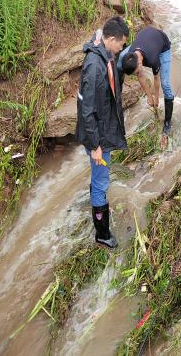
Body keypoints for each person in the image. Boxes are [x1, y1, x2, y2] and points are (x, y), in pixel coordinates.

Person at [75, 16, 129, 249]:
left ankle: (99, 217)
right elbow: (86, 110)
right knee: (100, 183)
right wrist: (96, 145)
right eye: (121, 44)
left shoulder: (102, 53)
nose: (121, 49)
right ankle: (102, 234)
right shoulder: (94, 67)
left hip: (103, 129)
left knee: (99, 180)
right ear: (110, 39)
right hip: (97, 136)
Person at [118, 26, 174, 135]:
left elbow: (156, 79)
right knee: (120, 57)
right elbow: (140, 75)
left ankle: (168, 122)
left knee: (166, 84)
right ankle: (116, 95)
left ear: (139, 63)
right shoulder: (131, 54)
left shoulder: (152, 59)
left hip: (162, 44)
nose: (137, 74)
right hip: (146, 36)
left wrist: (156, 98)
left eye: (136, 71)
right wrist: (149, 96)